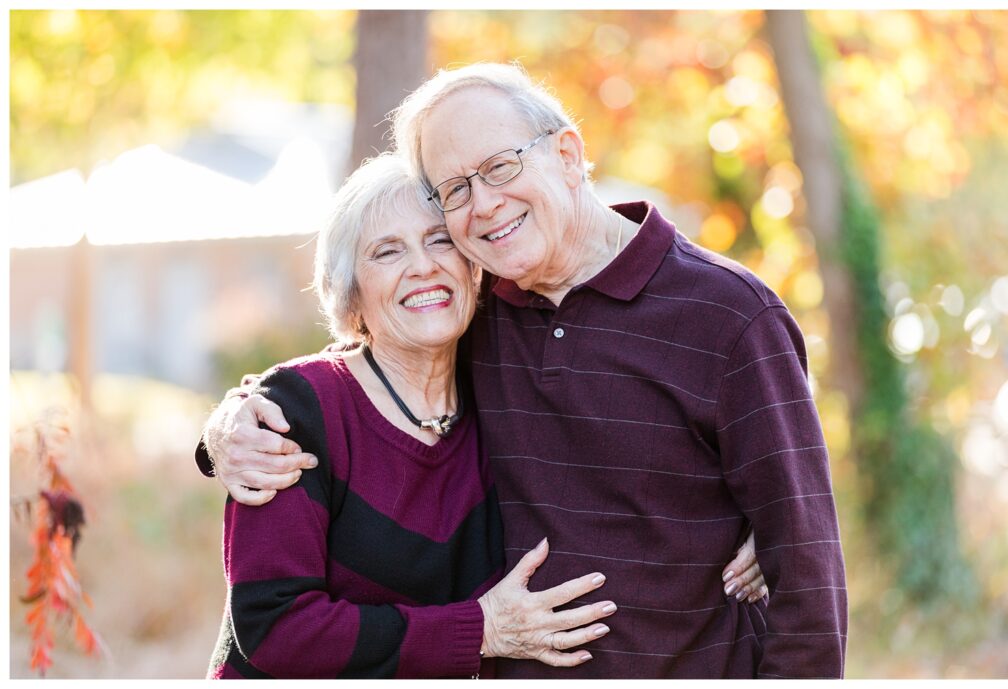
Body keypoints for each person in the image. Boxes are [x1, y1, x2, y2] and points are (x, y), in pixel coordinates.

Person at [202, 62, 845, 678]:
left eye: (499, 166)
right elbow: (371, 365)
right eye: (455, 189)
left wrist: (769, 526)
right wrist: (226, 429)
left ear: (567, 155)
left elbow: (808, 574)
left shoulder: (730, 315)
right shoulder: (483, 314)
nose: (484, 204)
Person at [206, 153, 620, 679]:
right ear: (351, 293)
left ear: (475, 267)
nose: (423, 266)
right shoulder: (297, 412)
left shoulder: (503, 390)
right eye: (387, 251)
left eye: (440, 240)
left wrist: (745, 519)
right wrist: (479, 631)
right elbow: (274, 629)